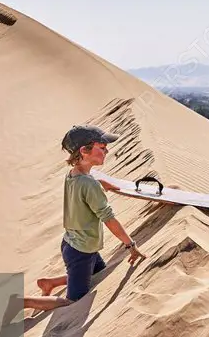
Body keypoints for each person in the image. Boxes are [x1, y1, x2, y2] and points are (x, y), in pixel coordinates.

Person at [23, 125, 146, 313]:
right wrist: (130, 245)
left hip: (74, 243)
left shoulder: (74, 174)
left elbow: (85, 184)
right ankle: (21, 302)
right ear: (84, 151)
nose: (107, 150)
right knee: (73, 301)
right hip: (81, 251)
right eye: (102, 147)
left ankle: (50, 283)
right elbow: (109, 219)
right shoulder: (88, 184)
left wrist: (100, 183)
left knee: (97, 273)